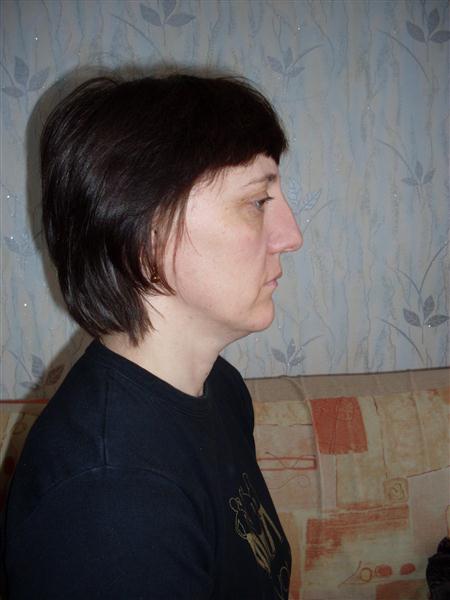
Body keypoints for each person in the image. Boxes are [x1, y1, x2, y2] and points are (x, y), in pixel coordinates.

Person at [4, 72, 303, 599]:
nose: (291, 236)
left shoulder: (220, 388)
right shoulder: (109, 499)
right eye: (258, 201)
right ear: (145, 234)